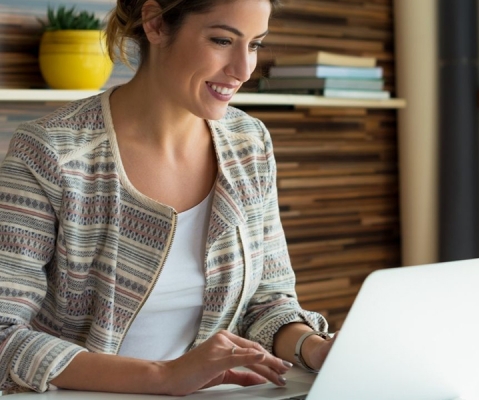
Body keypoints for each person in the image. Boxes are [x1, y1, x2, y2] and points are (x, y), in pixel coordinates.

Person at [0, 0, 335, 395]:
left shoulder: (249, 143)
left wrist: (314, 349)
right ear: (156, 23)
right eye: (222, 39)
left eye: (255, 44)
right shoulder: (51, 153)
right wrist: (164, 376)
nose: (243, 70)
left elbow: (268, 302)